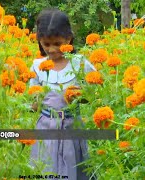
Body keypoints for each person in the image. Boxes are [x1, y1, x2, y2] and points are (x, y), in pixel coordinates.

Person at [29, 8, 97, 180]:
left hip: (71, 126)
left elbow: (93, 94)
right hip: (45, 127)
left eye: (57, 44)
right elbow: (32, 101)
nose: (51, 50)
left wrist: (80, 96)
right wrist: (36, 100)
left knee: (72, 165)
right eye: (46, 44)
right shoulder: (37, 66)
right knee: (46, 166)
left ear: (68, 39)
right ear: (40, 41)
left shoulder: (80, 64)